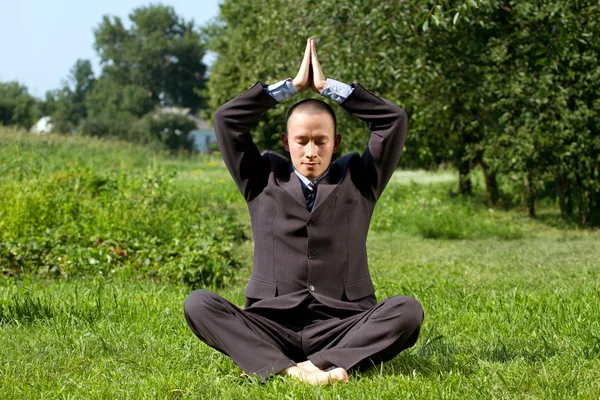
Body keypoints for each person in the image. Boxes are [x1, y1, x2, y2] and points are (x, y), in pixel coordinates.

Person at [184, 39, 423, 384]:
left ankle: (302, 365)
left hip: (342, 322)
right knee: (198, 303)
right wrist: (289, 89)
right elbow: (227, 120)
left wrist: (330, 89)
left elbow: (392, 120)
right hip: (271, 324)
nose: (311, 151)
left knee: (407, 310)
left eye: (321, 141)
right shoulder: (260, 177)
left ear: (336, 143)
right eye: (301, 141)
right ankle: (296, 368)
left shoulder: (360, 179)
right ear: (285, 142)